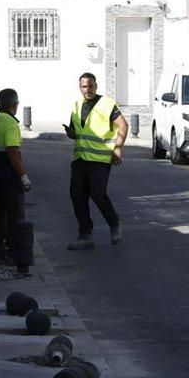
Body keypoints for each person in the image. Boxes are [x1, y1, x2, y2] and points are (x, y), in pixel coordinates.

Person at [63, 72, 126, 250]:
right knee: (76, 195)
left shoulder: (107, 104)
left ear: (96, 86)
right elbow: (77, 129)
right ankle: (85, 236)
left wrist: (118, 148)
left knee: (97, 194)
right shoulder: (76, 105)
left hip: (100, 159)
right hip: (80, 158)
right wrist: (71, 133)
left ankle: (114, 223)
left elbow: (123, 125)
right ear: (80, 87)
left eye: (91, 86)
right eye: (84, 86)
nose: (88, 89)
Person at [0, 88, 30, 256]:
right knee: (14, 215)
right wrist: (23, 176)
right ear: (15, 105)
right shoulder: (11, 124)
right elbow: (12, 152)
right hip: (9, 178)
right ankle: (14, 250)